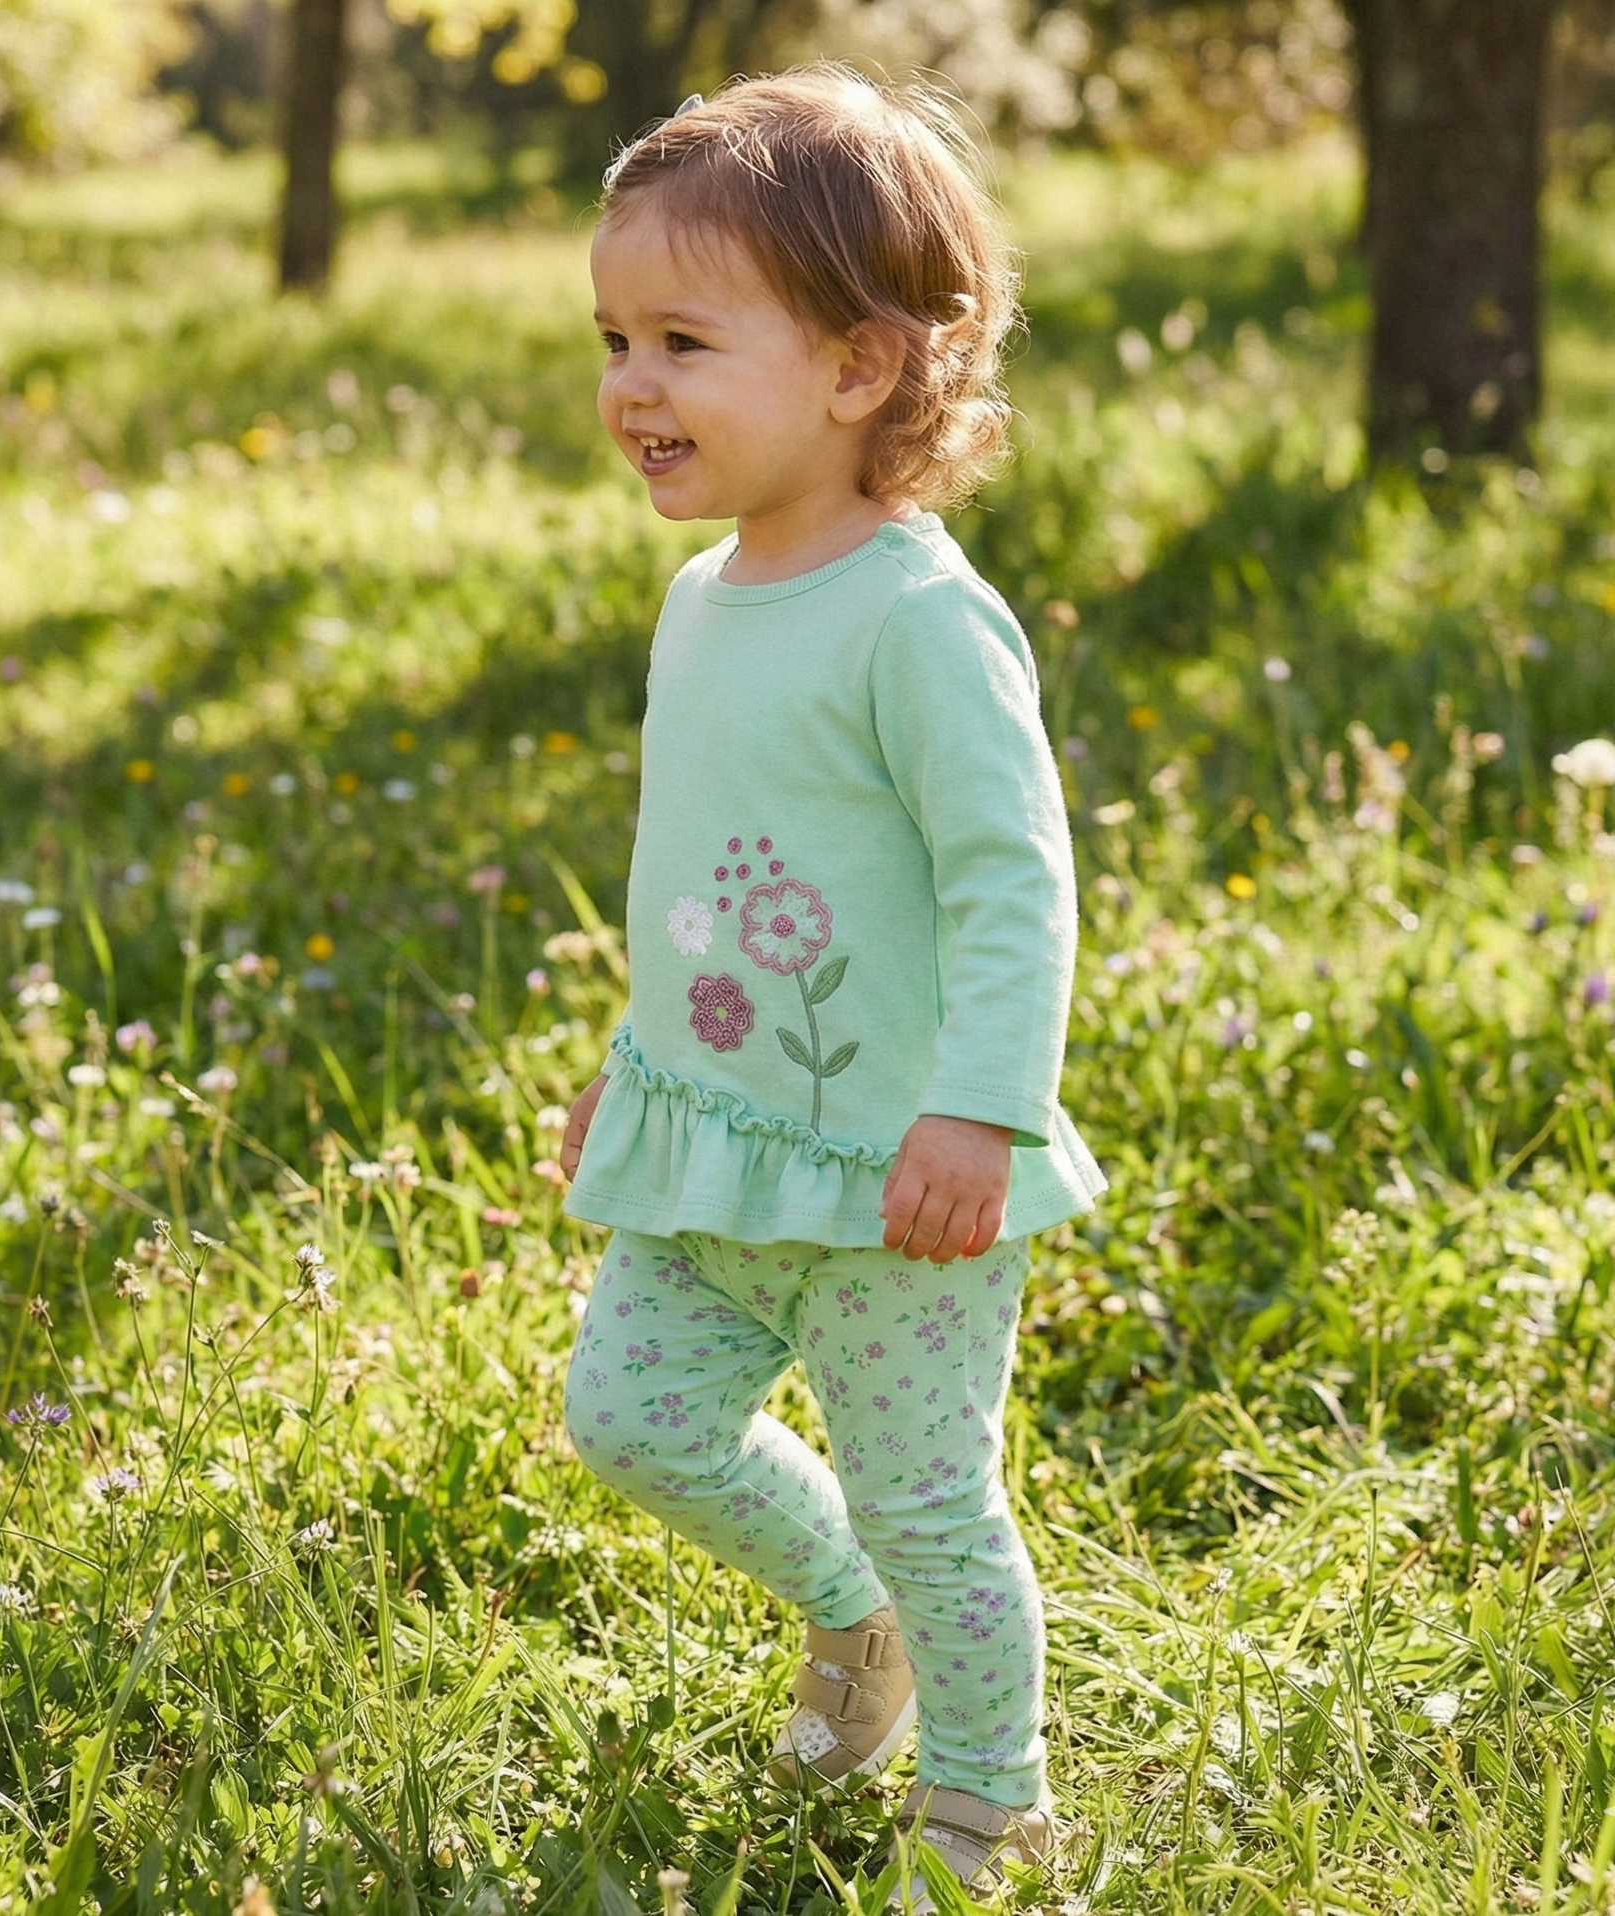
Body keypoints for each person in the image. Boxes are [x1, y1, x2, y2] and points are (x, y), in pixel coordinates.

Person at [556, 66, 1105, 1904]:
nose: (632, 383)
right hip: (711, 1140)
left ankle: (986, 1793)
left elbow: (1010, 876)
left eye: (685, 340)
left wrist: (983, 1105)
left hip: (895, 1181)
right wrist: (629, 1065)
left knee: (933, 1500)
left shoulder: (916, 617)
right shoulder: (702, 595)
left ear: (858, 368)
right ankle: (846, 1616)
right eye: (617, 336)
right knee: (625, 1419)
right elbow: (699, 883)